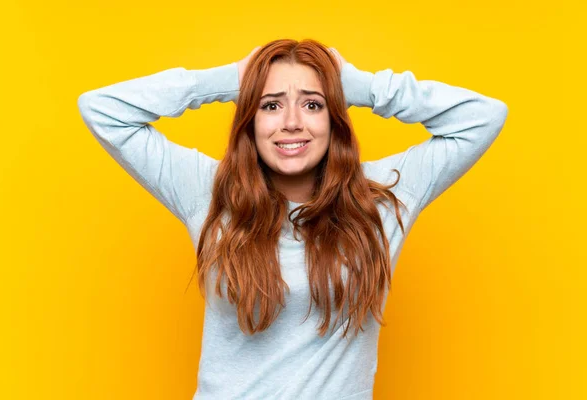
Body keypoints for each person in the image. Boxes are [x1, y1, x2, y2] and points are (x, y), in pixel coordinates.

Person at [78, 38, 508, 400]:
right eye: (270, 105)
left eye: (313, 105)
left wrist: (361, 86)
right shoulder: (208, 192)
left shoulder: (382, 197)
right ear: (251, 120)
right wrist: (231, 79)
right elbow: (102, 110)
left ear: (334, 119)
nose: (291, 123)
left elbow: (483, 117)